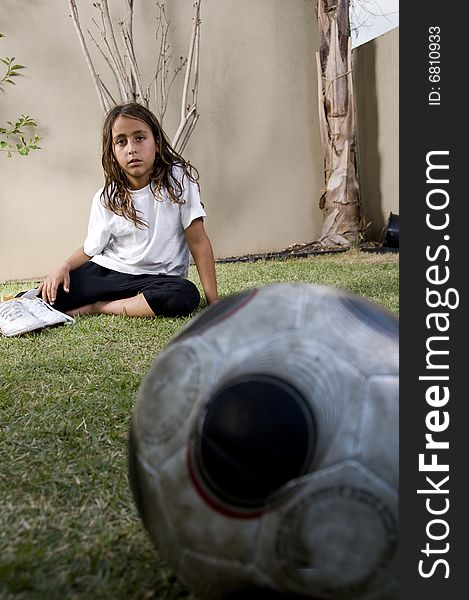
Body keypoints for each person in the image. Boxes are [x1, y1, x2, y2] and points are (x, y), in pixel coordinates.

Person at [37, 102, 218, 318]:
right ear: (113, 151)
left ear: (157, 143)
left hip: (158, 278)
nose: (131, 148)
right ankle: (22, 306)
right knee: (47, 298)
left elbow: (198, 242)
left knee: (184, 295)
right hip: (110, 273)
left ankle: (98, 307)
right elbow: (90, 248)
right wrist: (64, 266)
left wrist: (214, 302)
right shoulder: (106, 197)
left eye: (139, 138)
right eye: (121, 142)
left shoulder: (178, 180)